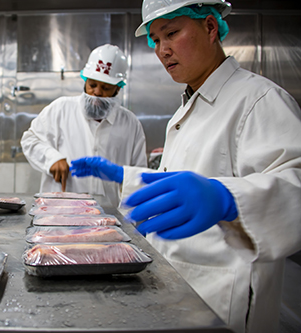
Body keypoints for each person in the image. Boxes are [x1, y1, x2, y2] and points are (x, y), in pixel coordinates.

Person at [70, 1, 301, 332]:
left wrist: (228, 199)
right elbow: (176, 182)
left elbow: (295, 185)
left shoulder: (258, 100)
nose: (163, 51)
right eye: (155, 40)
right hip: (180, 291)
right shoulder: (190, 106)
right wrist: (126, 176)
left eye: (172, 33)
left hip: (225, 299)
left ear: (209, 27)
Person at [21, 44, 147, 206]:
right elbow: (30, 140)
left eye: (106, 88)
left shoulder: (130, 124)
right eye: (92, 85)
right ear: (85, 81)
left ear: (117, 89)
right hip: (60, 215)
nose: (97, 92)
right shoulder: (61, 109)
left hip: (108, 218)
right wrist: (52, 158)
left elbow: (139, 174)